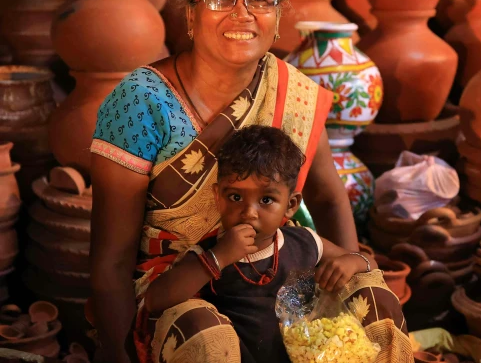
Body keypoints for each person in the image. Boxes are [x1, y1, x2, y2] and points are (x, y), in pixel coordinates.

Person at [88, 0, 409, 363]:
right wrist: (122, 351)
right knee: (207, 341)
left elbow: (330, 197)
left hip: (279, 281)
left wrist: (347, 271)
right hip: (177, 294)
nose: (242, 14)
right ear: (190, 15)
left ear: (277, 20)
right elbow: (110, 261)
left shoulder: (292, 92)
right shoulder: (141, 102)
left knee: (375, 304)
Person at [142, 125, 377, 363]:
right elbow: (155, 300)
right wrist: (219, 258)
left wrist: (352, 261)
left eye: (266, 200)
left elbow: (371, 266)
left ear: (291, 204)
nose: (249, 213)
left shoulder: (304, 242)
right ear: (218, 197)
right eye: (235, 197)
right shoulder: (209, 254)